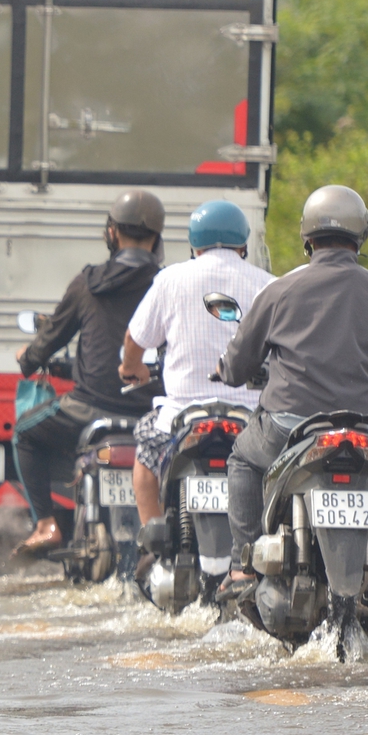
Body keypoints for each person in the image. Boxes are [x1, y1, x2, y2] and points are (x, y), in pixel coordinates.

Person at [216, 185, 368, 583]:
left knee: (243, 460)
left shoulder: (280, 290)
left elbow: (239, 364)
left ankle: (243, 566)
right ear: (360, 236)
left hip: (288, 427)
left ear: (307, 237)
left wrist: (227, 371)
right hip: (365, 426)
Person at [118, 200, 276, 557]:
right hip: (249, 419)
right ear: (243, 244)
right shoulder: (268, 286)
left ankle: (154, 544)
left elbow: (135, 341)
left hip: (181, 418)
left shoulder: (171, 279)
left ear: (195, 244)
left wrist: (133, 368)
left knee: (145, 457)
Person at [12, 191, 166, 555]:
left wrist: (27, 359)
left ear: (111, 233)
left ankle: (46, 525)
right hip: (151, 415)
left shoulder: (87, 284)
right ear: (157, 239)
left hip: (89, 411)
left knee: (25, 433)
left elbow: (49, 339)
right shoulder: (167, 284)